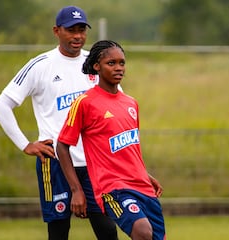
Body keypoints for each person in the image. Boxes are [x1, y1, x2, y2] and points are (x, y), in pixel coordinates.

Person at [0, 6, 119, 240]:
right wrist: (25, 144)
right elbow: (1, 106)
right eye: (71, 30)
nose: (77, 36)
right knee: (59, 231)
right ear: (56, 31)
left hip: (94, 162)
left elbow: (117, 105)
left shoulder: (97, 63)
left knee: (107, 229)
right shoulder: (40, 65)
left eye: (82, 30)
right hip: (56, 163)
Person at [56, 40, 166, 240]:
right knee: (142, 231)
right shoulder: (84, 103)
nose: (118, 68)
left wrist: (145, 174)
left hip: (141, 185)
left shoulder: (130, 103)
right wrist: (76, 190)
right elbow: (62, 146)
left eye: (122, 63)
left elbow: (128, 147)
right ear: (97, 67)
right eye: (111, 63)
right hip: (112, 188)